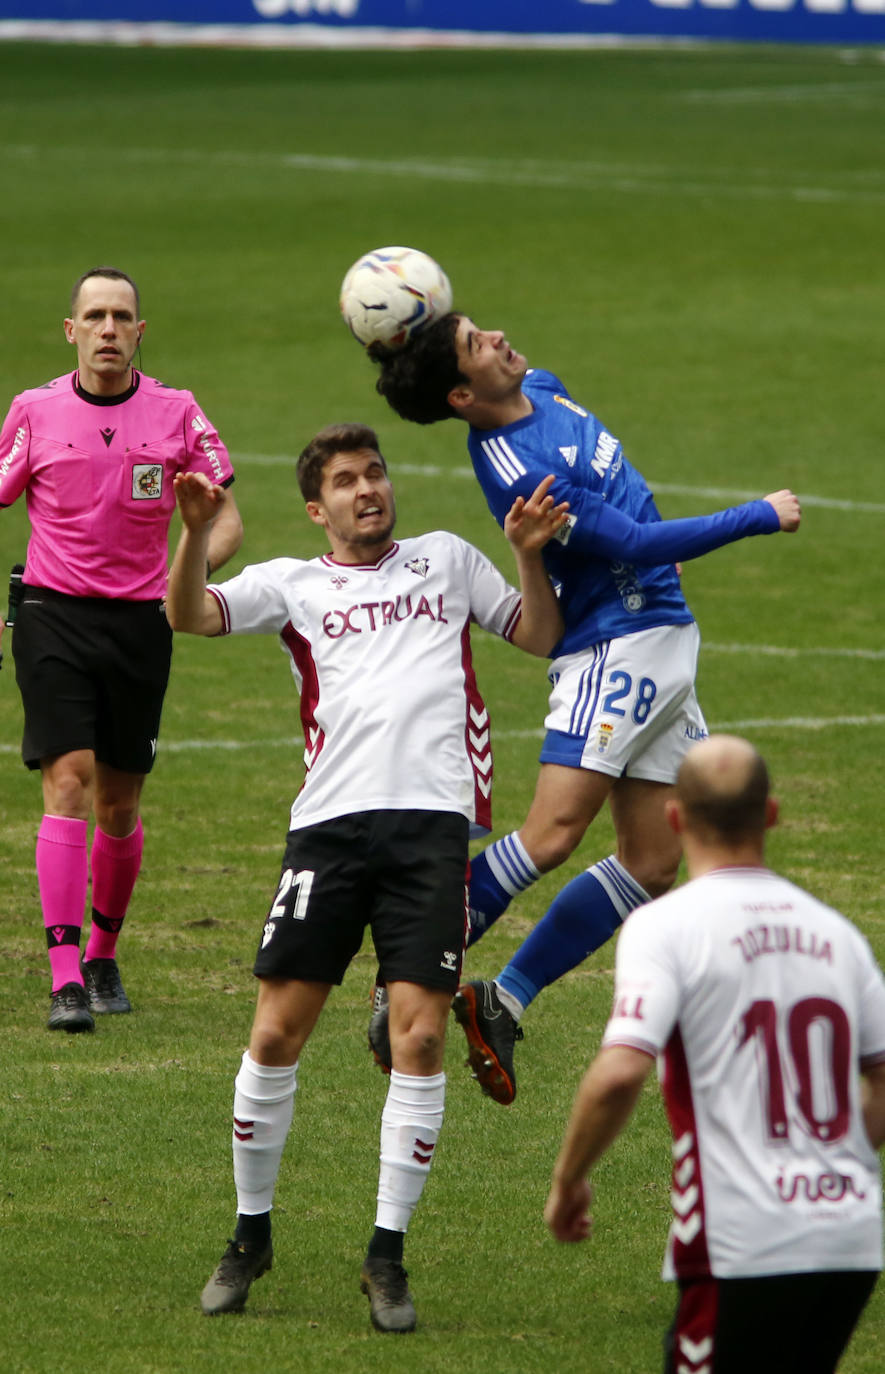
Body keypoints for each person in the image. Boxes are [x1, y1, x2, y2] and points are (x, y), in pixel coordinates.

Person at [165, 421, 567, 1332]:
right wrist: (192, 535)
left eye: (375, 473)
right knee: (275, 1033)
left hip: (430, 836)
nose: (366, 489)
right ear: (318, 508)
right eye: (345, 481)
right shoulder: (291, 583)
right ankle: (249, 1235)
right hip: (328, 835)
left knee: (419, 1042)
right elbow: (187, 616)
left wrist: (526, 557)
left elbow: (537, 635)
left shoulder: (447, 560)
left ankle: (386, 1256)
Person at [371, 309, 801, 1104]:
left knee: (649, 863)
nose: (497, 334)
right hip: (615, 647)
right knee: (552, 833)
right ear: (461, 393)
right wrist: (755, 515)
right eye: (474, 342)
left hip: (664, 644)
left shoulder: (541, 386)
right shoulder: (518, 472)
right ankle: (406, 968)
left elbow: (485, 372)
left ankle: (500, 999)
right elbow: (633, 544)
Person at [544, 734, 885, 1373]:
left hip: (742, 1241)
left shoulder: (667, 927)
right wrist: (838, 1161)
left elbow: (620, 1072)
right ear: (773, 815)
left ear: (674, 816)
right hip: (850, 1237)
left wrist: (568, 1182)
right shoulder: (837, 934)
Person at [0, 266, 242, 1033]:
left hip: (142, 620)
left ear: (139, 332)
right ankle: (62, 980)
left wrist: (189, 571)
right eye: (96, 316)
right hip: (52, 614)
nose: (109, 329)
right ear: (72, 330)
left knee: (120, 802)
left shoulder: (178, 414)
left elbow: (226, 521)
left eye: (122, 316)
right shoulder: (36, 411)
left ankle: (103, 952)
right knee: (70, 782)